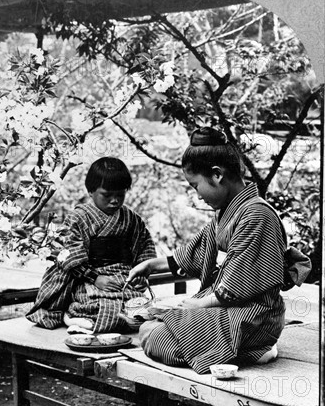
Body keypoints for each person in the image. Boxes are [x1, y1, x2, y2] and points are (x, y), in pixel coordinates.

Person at [126, 127, 286, 374]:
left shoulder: (257, 214)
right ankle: (245, 350)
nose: (197, 196)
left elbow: (236, 287)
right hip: (228, 307)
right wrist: (149, 266)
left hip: (253, 316)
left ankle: (255, 349)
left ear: (217, 175)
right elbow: (195, 253)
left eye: (195, 185)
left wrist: (193, 307)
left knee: (156, 338)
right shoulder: (226, 212)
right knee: (150, 325)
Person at [26, 157, 156, 334]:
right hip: (88, 277)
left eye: (120, 195)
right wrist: (95, 278)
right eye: (107, 195)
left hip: (123, 277)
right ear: (91, 191)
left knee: (137, 306)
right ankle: (73, 316)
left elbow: (144, 246)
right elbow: (70, 255)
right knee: (95, 305)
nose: (114, 201)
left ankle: (86, 322)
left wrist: (141, 272)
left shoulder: (131, 219)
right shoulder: (79, 217)